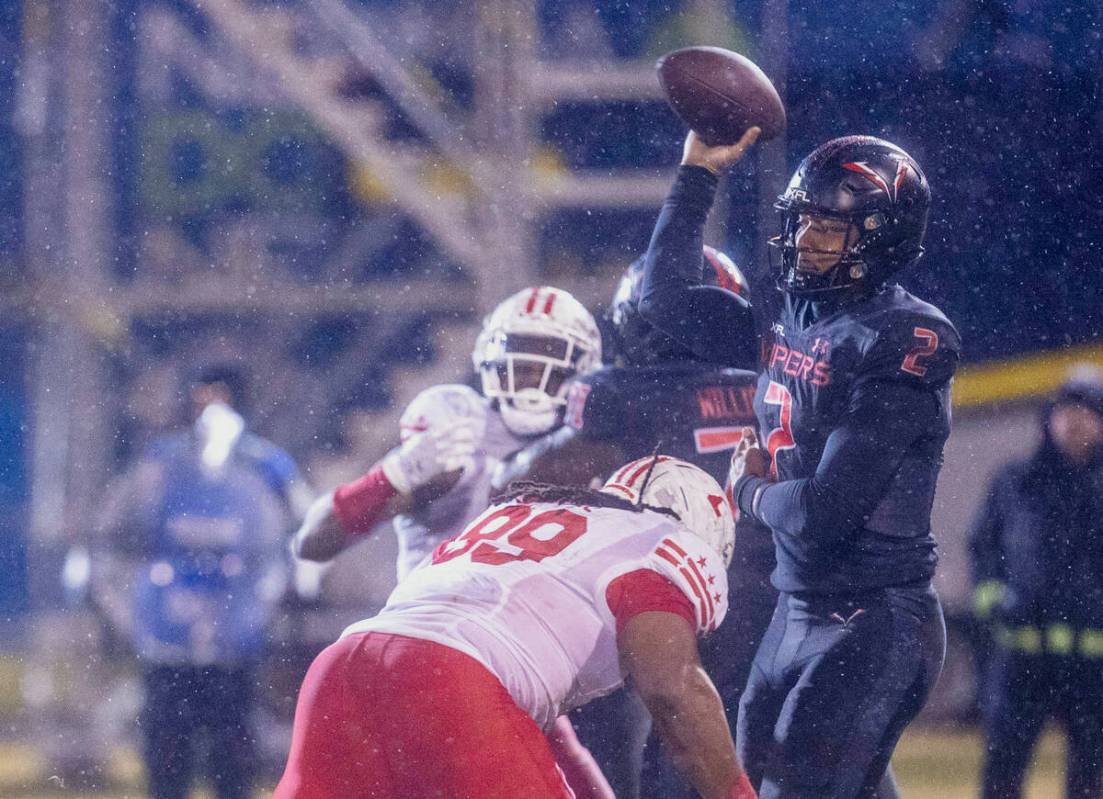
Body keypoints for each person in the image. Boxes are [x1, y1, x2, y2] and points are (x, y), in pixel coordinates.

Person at [638, 127, 960, 798]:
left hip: (875, 620)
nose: (807, 238)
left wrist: (749, 490)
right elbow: (660, 302)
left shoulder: (906, 336)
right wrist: (696, 172)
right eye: (805, 219)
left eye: (830, 225)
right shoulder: (791, 309)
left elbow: (822, 512)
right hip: (796, 606)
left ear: (880, 235)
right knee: (742, 785)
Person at [275, 456, 758, 799]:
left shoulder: (518, 513)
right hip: (453, 681)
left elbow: (530, 720)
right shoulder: (661, 542)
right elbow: (672, 690)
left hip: (344, 665)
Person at [291, 285, 614, 796]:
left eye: (546, 361)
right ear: (490, 362)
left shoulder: (597, 445)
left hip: (541, 680)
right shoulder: (458, 430)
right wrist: (395, 478)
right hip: (448, 664)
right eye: (518, 362)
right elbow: (312, 543)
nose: (530, 377)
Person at [517, 248, 774, 799]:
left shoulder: (614, 393)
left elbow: (531, 481)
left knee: (650, 741)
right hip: (764, 597)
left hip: (664, 594)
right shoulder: (770, 391)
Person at [93, 364, 312, 799]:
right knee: (166, 747)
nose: (210, 409)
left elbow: (306, 528)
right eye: (201, 397)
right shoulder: (161, 460)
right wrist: (124, 601)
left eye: (221, 397)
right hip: (167, 631)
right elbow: (115, 527)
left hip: (236, 632)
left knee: (233, 748)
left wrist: (285, 589)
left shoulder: (266, 464)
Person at [969, 372, 1103, 799]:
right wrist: (994, 601)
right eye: (1066, 411)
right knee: (1003, 770)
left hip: (1094, 662)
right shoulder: (1016, 481)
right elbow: (983, 548)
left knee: (1092, 775)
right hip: (1022, 654)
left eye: (1086, 413)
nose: (1074, 422)